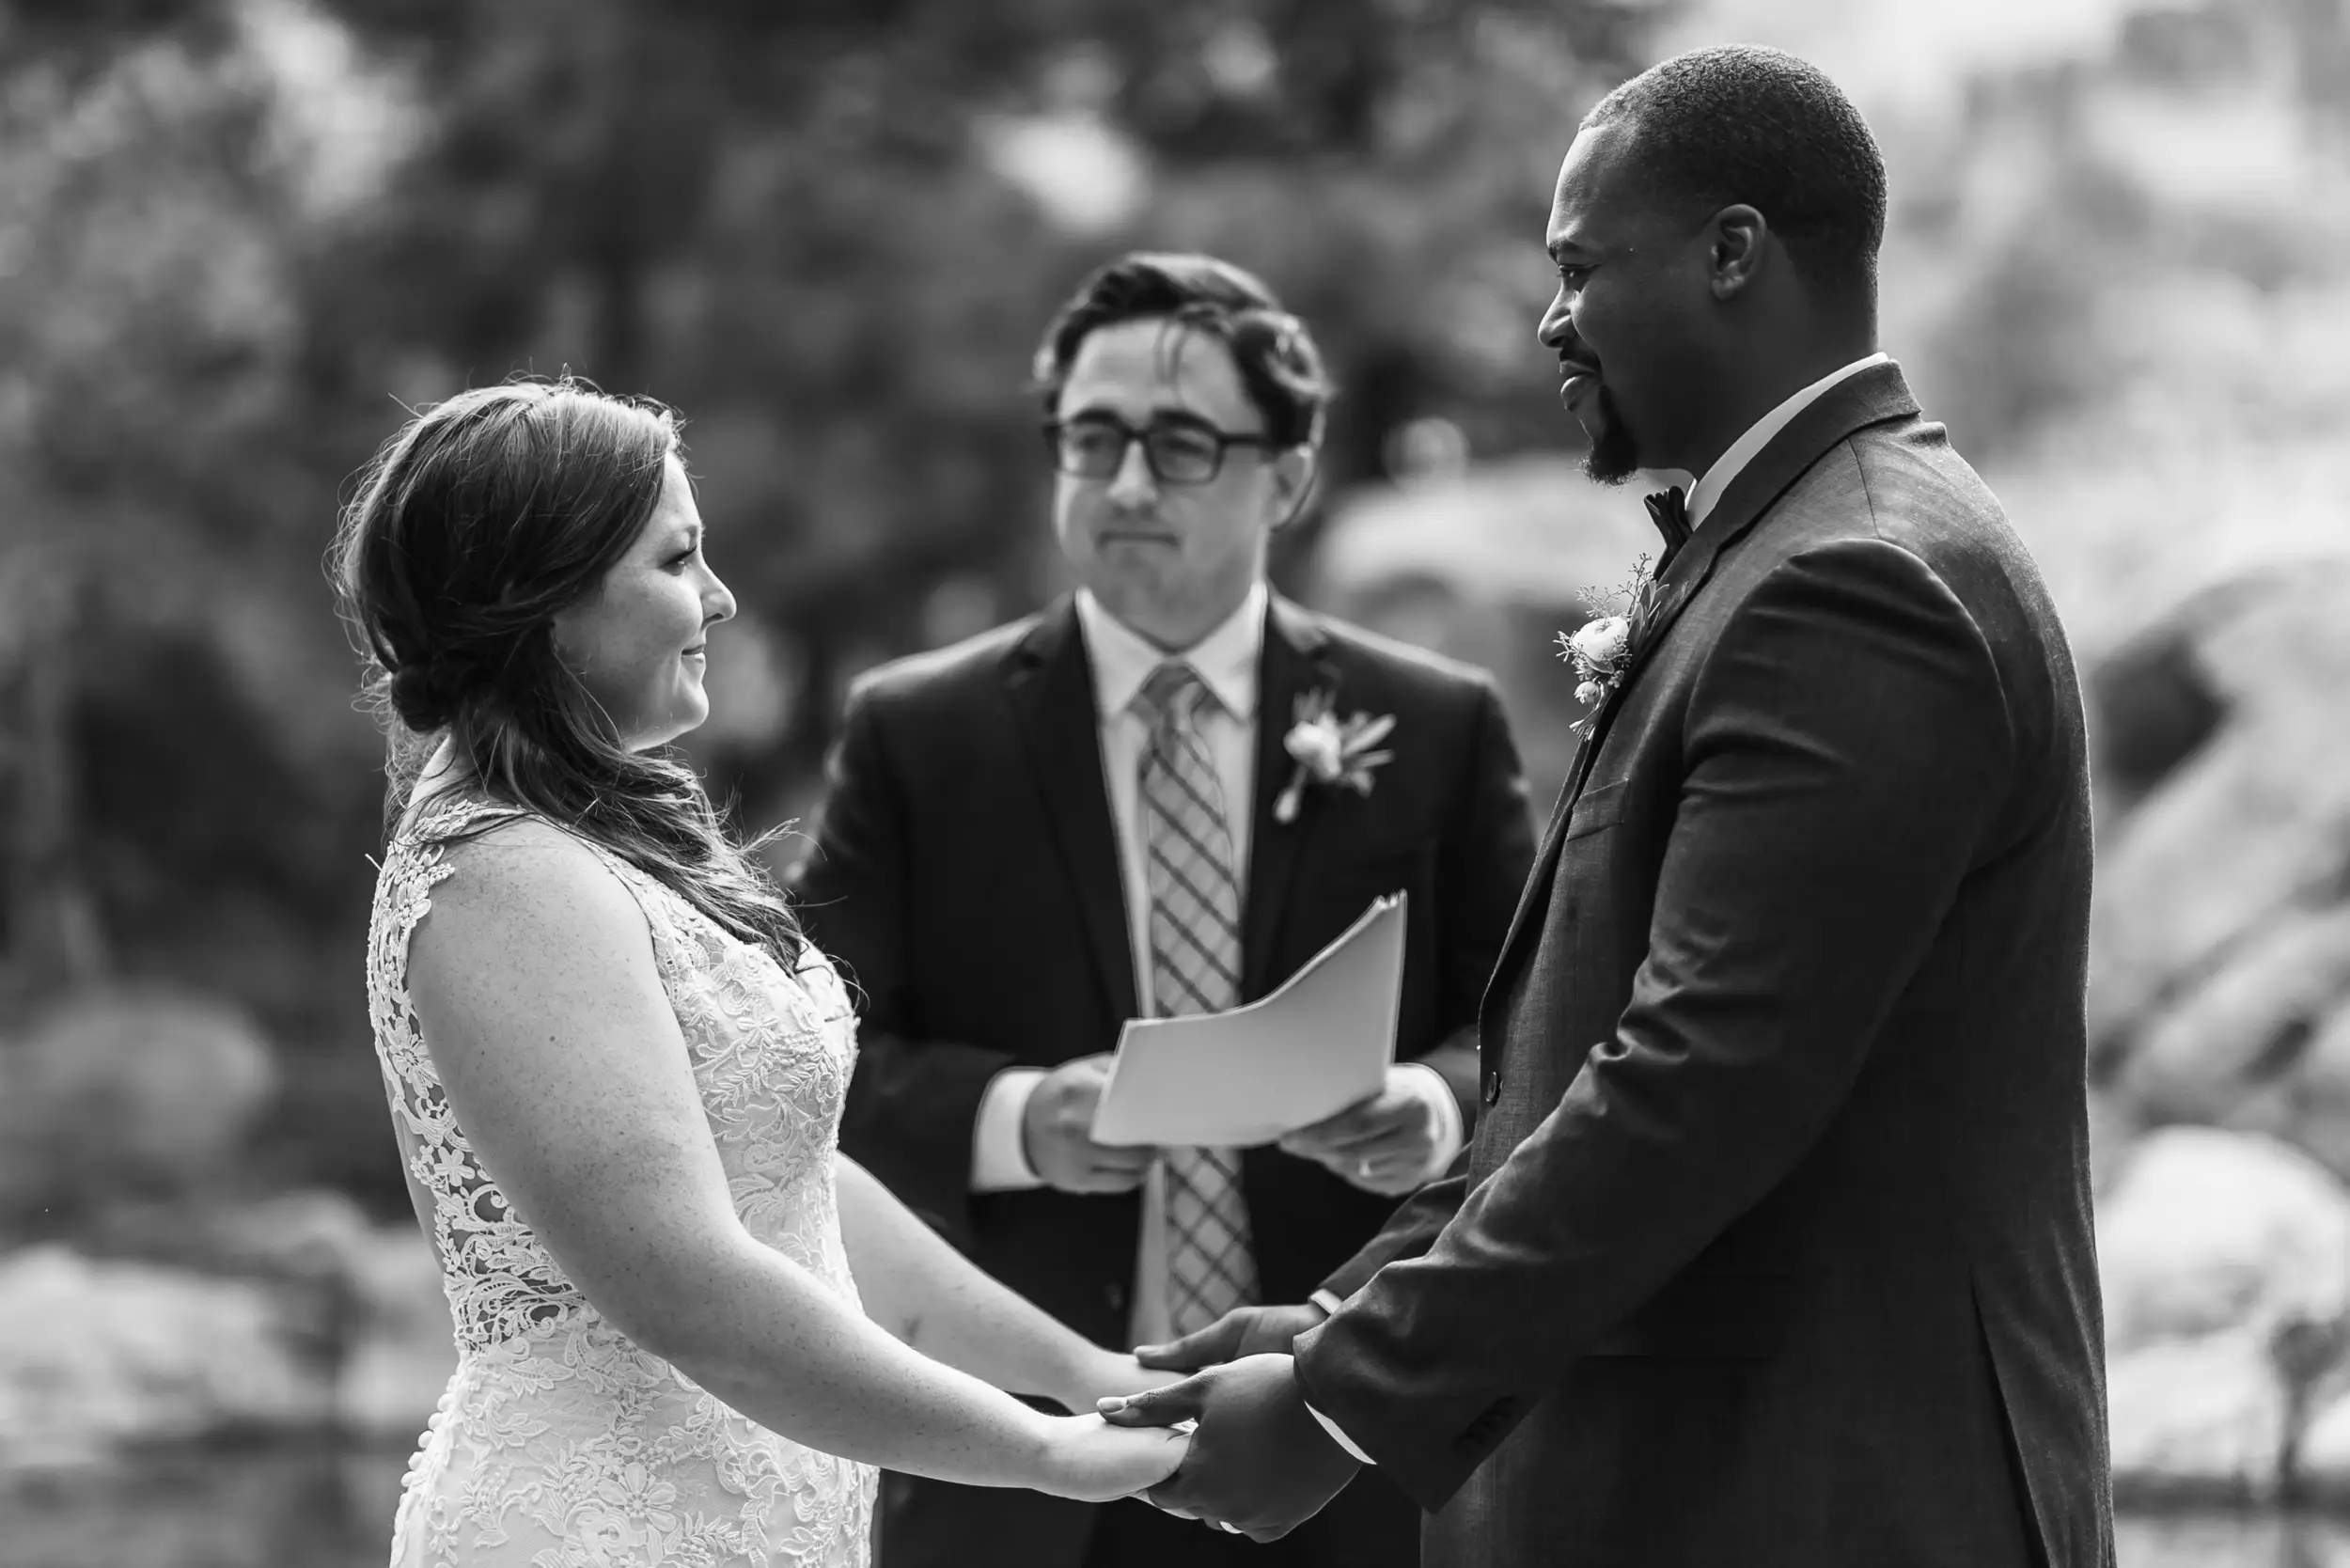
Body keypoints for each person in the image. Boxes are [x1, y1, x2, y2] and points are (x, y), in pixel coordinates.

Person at [1102, 45, 2118, 1568]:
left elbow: (1700, 1076)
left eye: (1579, 266)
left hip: (1819, 1495)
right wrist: (1341, 1312)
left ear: (1731, 251)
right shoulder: (1782, 546)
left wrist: (1338, 1399)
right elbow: (1574, 1060)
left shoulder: (1858, 581)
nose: (1550, 318)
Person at [335, 375, 1186, 1568]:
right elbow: (691, 1288)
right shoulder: (504, 877)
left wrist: (1078, 1374)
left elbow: (793, 1191)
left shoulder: (579, 838)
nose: (720, 598)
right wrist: (1041, 1454)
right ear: (548, 598)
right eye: (677, 561)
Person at [789, 252, 1536, 1567]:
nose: (1128, 482)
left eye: (1183, 443)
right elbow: (800, 1072)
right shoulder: (918, 735)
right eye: (1094, 437)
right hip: (1017, 1467)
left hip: (1343, 1447)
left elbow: (1535, 1035)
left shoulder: (1432, 725)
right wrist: (1020, 1121)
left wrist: (1428, 1110)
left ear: (1288, 477)